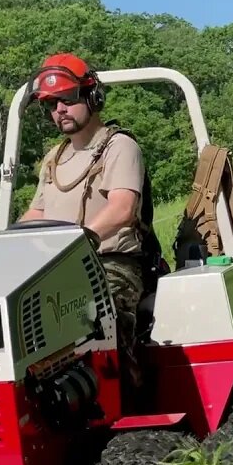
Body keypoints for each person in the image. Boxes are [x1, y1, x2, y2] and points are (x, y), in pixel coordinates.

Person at [19, 52, 147, 386]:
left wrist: (79, 240)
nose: (58, 110)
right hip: (58, 268)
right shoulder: (54, 157)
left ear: (93, 96)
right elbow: (38, 213)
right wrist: (2, 242)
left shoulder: (119, 146)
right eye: (50, 105)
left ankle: (127, 393)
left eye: (66, 99)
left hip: (111, 263)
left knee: (94, 314)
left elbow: (123, 208)